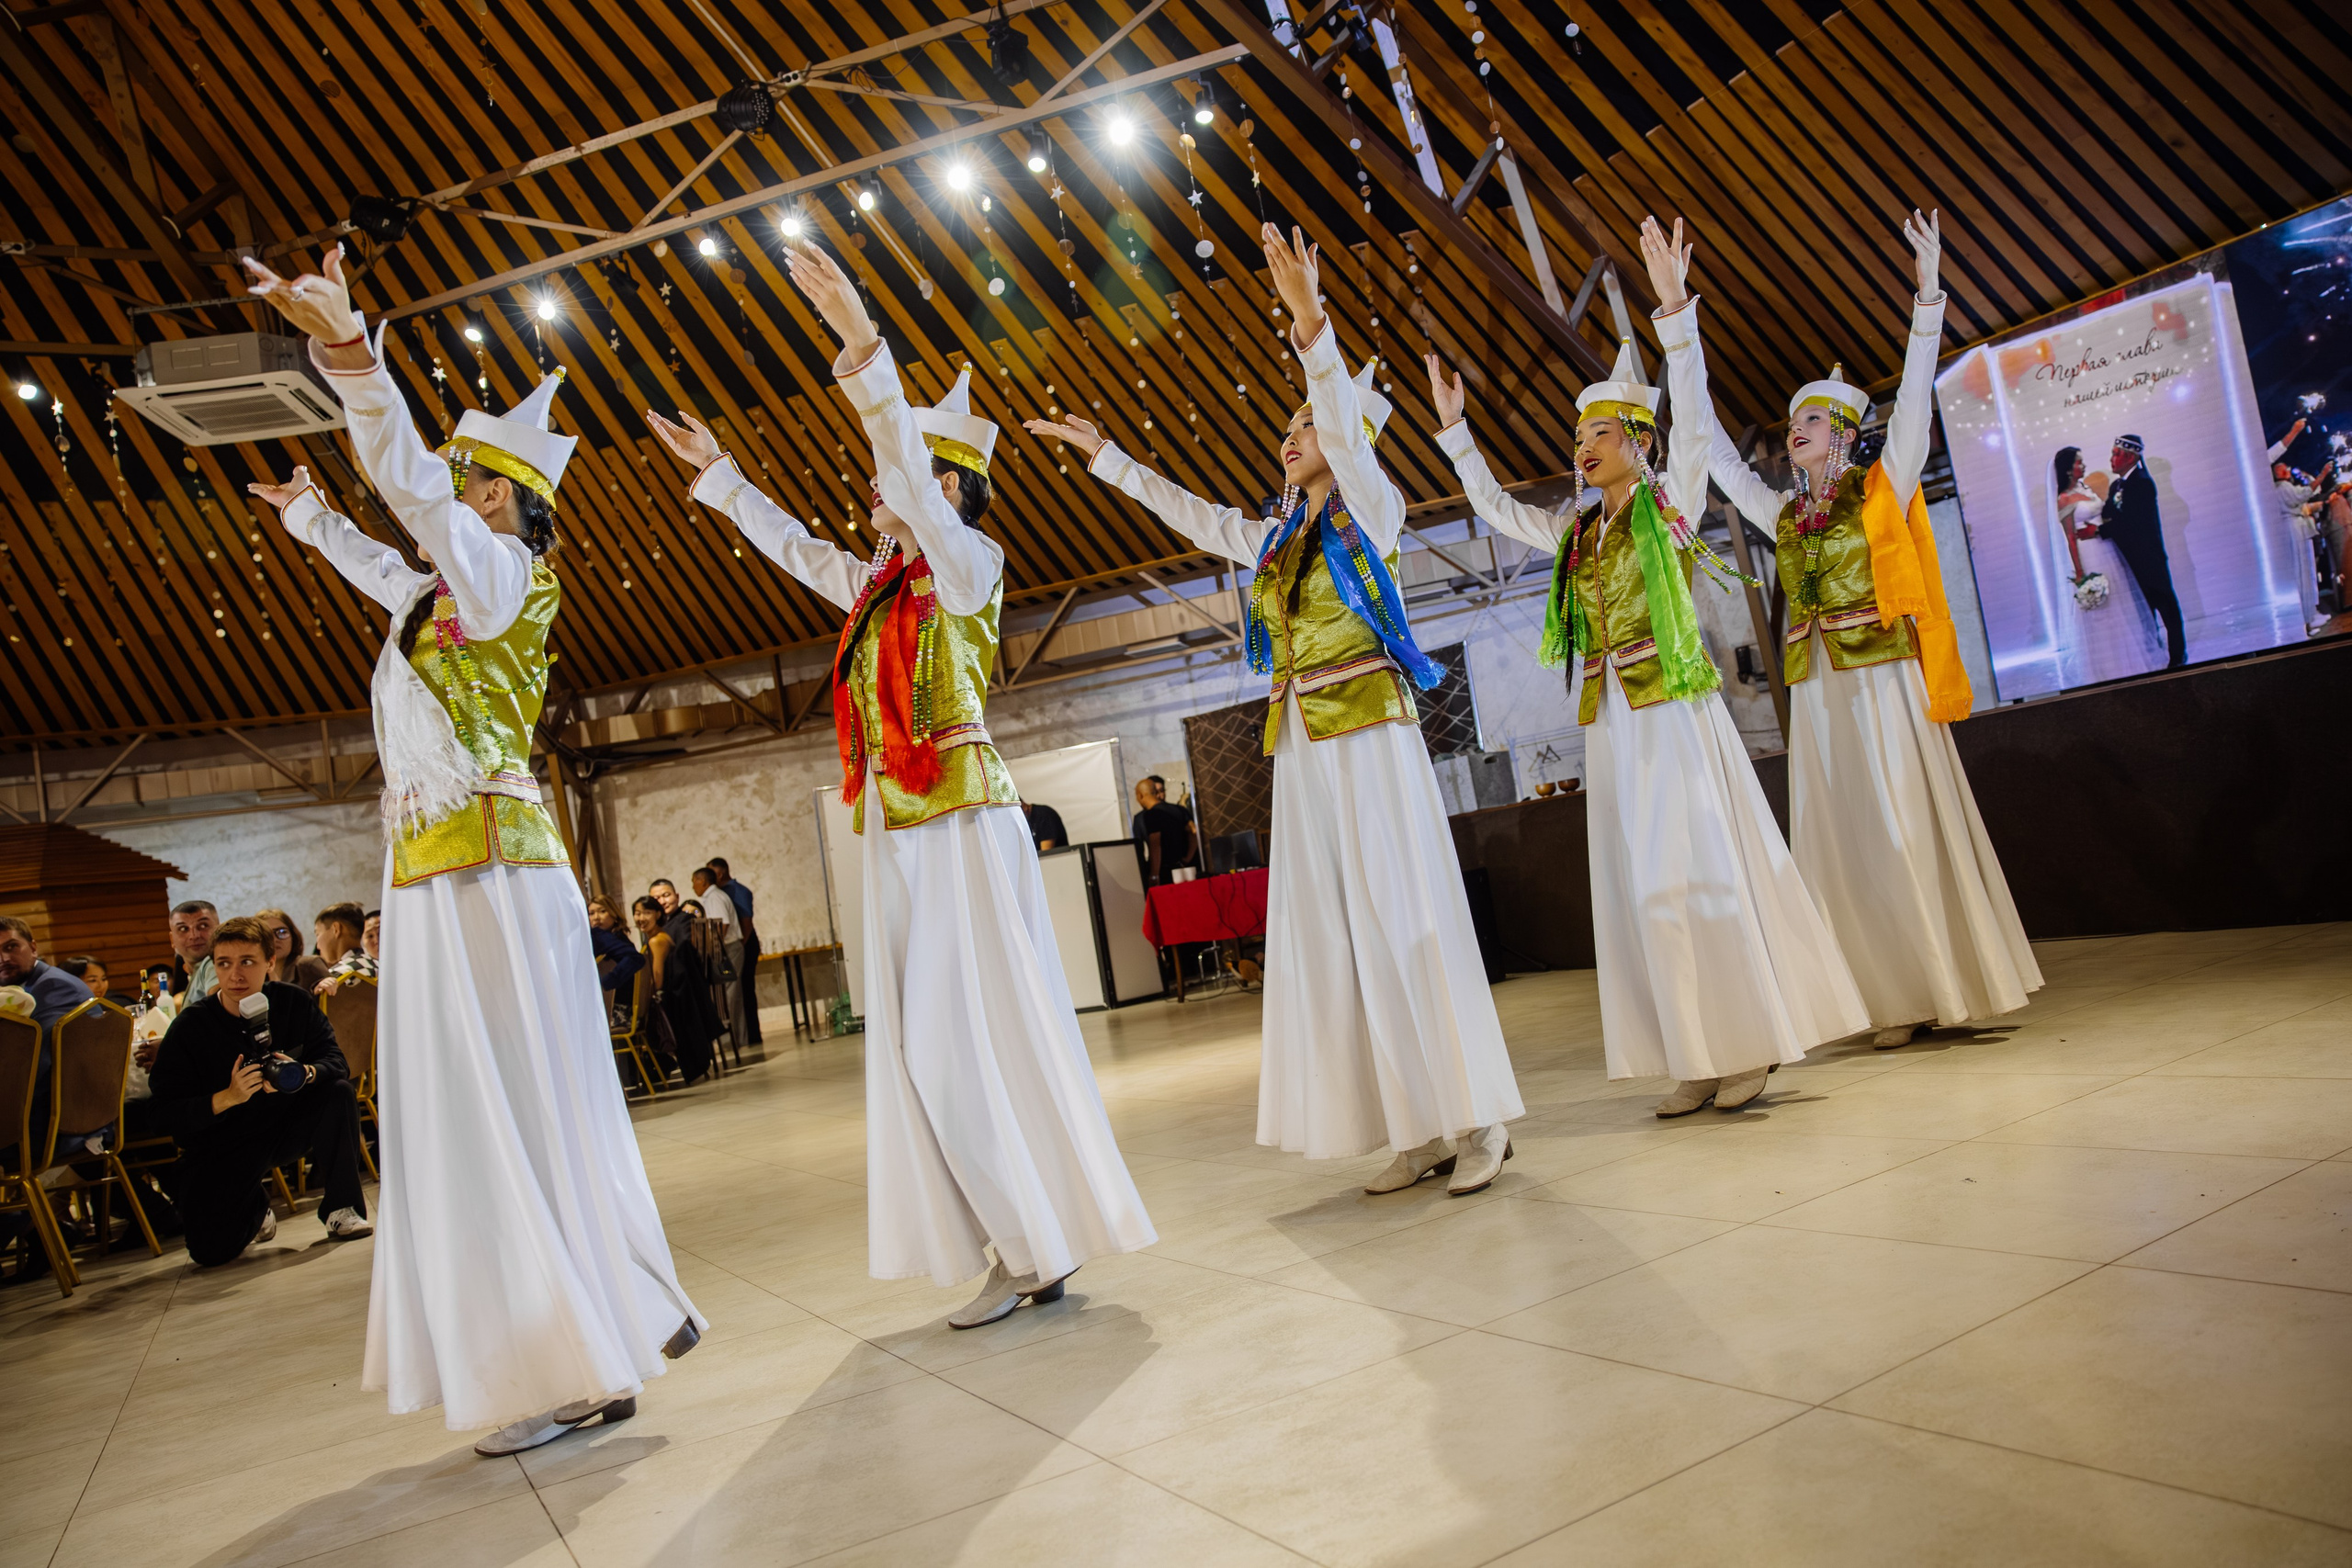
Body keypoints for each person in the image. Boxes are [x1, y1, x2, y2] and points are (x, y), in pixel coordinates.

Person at [242, 243, 701, 1455]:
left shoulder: (503, 574)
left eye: (486, 486)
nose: (468, 497)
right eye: (468, 484)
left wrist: (351, 355)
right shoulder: (441, 595)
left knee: (510, 1109)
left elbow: (414, 504)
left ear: (520, 505)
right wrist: (312, 521)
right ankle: (576, 1347)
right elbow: (389, 561)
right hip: (450, 872)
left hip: (493, 872)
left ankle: (573, 1356)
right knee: (486, 1110)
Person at [645, 235, 1154, 1328]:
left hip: (961, 820)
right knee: (931, 1048)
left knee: (964, 1039)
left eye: (905, 477)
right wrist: (722, 478)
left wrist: (864, 351)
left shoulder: (968, 567)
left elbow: (913, 488)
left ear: (942, 488)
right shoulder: (880, 588)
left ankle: (1030, 1247)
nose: (877, 491)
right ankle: (1023, 1239)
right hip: (903, 826)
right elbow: (792, 548)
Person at [1034, 223, 1523, 1192]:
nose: (1289, 439)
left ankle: (1478, 1123)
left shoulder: (1370, 511)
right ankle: (1412, 1126)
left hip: (1373, 738)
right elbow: (1193, 515)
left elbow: (1340, 423)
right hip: (1302, 749)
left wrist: (1309, 326)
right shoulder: (1270, 541)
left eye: (1304, 428)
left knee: (1408, 918)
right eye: (1288, 429)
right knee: (1344, 934)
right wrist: (1107, 459)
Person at [1423, 234, 1866, 1116]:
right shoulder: (1578, 532)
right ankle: (1693, 1051)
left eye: (1595, 430)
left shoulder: (1672, 506)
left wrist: (1677, 319)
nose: (1579, 443)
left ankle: (1747, 1041)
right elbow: (1494, 511)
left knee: (1697, 871)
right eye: (1577, 431)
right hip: (1613, 719)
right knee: (1646, 888)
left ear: (1635, 439)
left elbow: (1695, 427)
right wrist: (1455, 435)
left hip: (1674, 710)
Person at [1649, 209, 2039, 1055]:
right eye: (1793, 425)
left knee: (1899, 827)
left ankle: (1939, 982)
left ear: (1850, 436)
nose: (1797, 432)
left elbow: (1914, 413)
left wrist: (1927, 297)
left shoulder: (1881, 486)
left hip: (1886, 681)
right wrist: (1679, 318)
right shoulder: (1783, 511)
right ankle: (1883, 1000)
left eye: (1813, 422)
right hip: (1818, 691)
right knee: (1845, 842)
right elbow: (1711, 449)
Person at [145, 916, 372, 1263]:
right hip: (225, 1141)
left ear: (269, 962)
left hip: (286, 1122)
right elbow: (162, 1114)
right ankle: (255, 1207)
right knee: (210, 1253)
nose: (235, 975)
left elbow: (336, 1061)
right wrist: (226, 1098)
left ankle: (341, 1208)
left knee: (337, 1090)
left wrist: (304, 1073)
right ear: (214, 967)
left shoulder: (292, 1002)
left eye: (247, 962)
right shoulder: (191, 1027)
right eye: (224, 963)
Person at [2052, 446, 2164, 683]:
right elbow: (2070, 537)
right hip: (2089, 554)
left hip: (2108, 551)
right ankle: (2110, 666)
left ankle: (2133, 657)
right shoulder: (2064, 498)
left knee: (2122, 601)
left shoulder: (2085, 489)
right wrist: (2080, 573)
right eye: (2079, 462)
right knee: (2104, 608)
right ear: (2068, 468)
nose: (2083, 466)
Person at [2100, 434, 2186, 668]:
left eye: (2116, 454)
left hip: (2149, 559)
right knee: (2142, 610)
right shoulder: (2116, 485)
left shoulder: (2143, 482)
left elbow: (2131, 522)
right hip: (2128, 561)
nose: (2112, 459)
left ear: (2129, 457)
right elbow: (2109, 512)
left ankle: (2177, 655)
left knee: (2166, 607)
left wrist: (2099, 531)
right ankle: (2151, 653)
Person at [631, 897, 716, 1085]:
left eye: (646, 913)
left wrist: (649, 997)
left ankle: (661, 1065)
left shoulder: (656, 940)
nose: (641, 918)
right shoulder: (658, 935)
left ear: (658, 914)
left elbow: (657, 976)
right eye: (637, 913)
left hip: (672, 1000)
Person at [2274, 457, 2336, 635]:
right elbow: (2304, 495)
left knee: (2307, 573)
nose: (2287, 470)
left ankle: (2311, 614)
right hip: (2294, 530)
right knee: (2302, 573)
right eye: (2284, 468)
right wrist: (2323, 474)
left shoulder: (2286, 487)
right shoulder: (2283, 488)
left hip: (2298, 529)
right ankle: (2307, 619)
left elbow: (2310, 491)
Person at [703, 860, 761, 1045]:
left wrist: (739, 946)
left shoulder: (737, 891)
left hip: (744, 943)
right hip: (736, 944)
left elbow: (746, 922)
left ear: (720, 873)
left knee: (741, 992)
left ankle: (750, 1036)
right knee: (737, 992)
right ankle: (745, 1036)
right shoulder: (718, 893)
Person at [0, 916, 94, 1030]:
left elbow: (36, 1046)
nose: (3, 959)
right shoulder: (14, 988)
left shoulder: (56, 986)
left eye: (11, 947)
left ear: (33, 948)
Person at [688, 866, 745, 1045]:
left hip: (727, 948)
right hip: (728, 948)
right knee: (732, 995)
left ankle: (729, 1042)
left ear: (703, 881)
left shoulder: (714, 897)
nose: (693, 886)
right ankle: (738, 1039)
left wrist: (711, 949)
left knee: (727, 996)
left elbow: (722, 924)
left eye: (694, 882)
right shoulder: (714, 896)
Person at [1129, 775, 1199, 885]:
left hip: (1164, 871)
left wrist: (1154, 874)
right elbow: (1193, 831)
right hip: (1185, 868)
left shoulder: (1149, 815)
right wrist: (1186, 859)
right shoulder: (1179, 809)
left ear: (1141, 795)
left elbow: (1155, 842)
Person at [168, 900, 219, 1002]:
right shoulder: (195, 971)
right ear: (172, 939)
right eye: (183, 929)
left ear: (219, 929)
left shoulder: (213, 964)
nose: (194, 936)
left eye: (203, 926)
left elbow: (218, 1001)